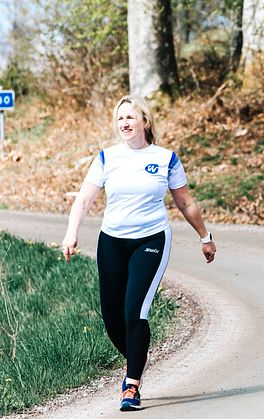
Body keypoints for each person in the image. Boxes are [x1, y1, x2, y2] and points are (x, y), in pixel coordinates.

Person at [61, 95, 217, 411]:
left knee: (135, 310)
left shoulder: (165, 158)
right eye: (120, 119)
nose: (125, 124)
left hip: (151, 239)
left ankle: (131, 386)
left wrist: (205, 237)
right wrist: (71, 232)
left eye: (131, 117)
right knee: (112, 319)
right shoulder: (107, 158)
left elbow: (185, 203)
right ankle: (138, 355)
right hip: (112, 242)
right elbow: (84, 200)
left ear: (144, 121)